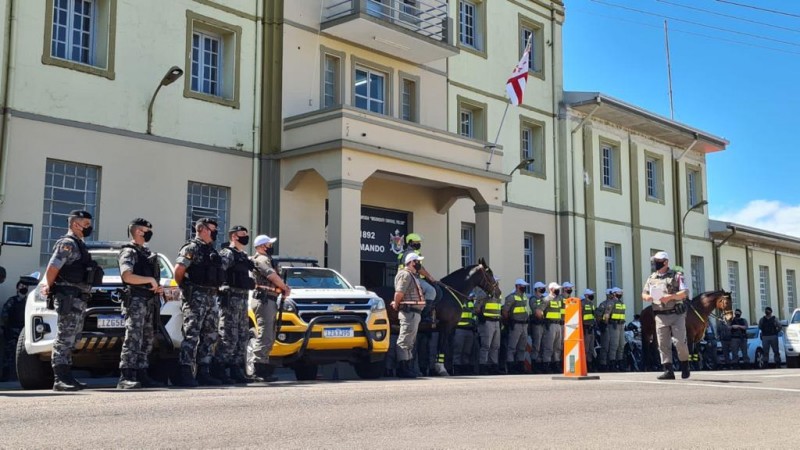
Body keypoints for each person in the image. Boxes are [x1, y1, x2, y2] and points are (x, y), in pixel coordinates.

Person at [39, 210, 99, 391]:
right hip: (68, 295)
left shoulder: (80, 244)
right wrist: (47, 285)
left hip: (78, 297)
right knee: (65, 336)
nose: (89, 228)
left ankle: (67, 376)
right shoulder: (67, 243)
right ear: (75, 224)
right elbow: (53, 266)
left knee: (73, 336)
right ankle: (60, 378)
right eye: (86, 224)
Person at [173, 217, 225, 387]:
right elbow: (179, 270)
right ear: (202, 229)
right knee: (191, 335)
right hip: (195, 296)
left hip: (211, 297)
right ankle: (185, 371)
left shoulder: (212, 251)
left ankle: (204, 371)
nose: (215, 232)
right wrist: (185, 287)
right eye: (212, 228)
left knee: (210, 335)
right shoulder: (191, 248)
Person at [116, 218, 164, 389]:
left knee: (147, 338)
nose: (149, 232)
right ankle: (126, 375)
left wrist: (156, 286)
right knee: (133, 337)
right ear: (137, 231)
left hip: (149, 300)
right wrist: (149, 280)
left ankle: (142, 373)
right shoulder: (129, 252)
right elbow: (127, 276)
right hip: (136, 300)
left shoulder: (145, 253)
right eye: (146, 230)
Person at [214, 226, 256, 385]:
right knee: (228, 335)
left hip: (243, 298)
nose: (245, 237)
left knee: (242, 335)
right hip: (230, 299)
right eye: (242, 235)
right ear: (233, 236)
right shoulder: (227, 254)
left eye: (246, 234)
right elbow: (219, 273)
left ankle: (236, 368)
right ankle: (219, 367)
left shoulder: (243, 256)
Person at [642, 251, 691, 380]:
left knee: (680, 342)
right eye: (654, 261)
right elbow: (644, 293)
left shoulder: (677, 275)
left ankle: (685, 365)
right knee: (663, 344)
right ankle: (668, 370)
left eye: (658, 262)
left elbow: (685, 292)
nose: (655, 264)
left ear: (665, 262)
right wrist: (648, 297)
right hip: (660, 315)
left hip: (676, 314)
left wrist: (671, 297)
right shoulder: (652, 277)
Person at [250, 234, 291, 382]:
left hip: (270, 299)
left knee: (270, 334)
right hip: (264, 299)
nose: (270, 247)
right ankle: (258, 369)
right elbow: (271, 276)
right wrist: (284, 287)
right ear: (262, 246)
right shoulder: (261, 259)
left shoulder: (267, 259)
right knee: (265, 334)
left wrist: (282, 289)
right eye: (268, 244)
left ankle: (264, 367)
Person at [392, 252, 427, 378]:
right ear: (411, 262)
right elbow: (399, 293)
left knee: (410, 342)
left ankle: (408, 367)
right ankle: (403, 368)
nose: (419, 264)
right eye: (417, 261)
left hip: (414, 313)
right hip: (409, 312)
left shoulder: (412, 275)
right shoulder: (405, 275)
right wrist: (396, 305)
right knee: (404, 340)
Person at [1, 279, 30, 381]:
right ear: (17, 288)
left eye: (25, 287)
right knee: (9, 355)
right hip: (12, 331)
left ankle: (22, 377)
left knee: (24, 356)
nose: (24, 289)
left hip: (25, 333)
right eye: (21, 286)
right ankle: (6, 376)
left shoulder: (29, 302)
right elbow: (4, 315)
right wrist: (5, 328)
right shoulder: (12, 301)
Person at [502, 279, 531, 374]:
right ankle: (511, 367)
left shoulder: (524, 297)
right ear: (518, 286)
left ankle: (520, 367)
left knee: (522, 347)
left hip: (524, 324)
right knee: (512, 347)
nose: (524, 288)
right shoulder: (511, 297)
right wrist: (508, 322)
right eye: (523, 286)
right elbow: (505, 311)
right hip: (515, 324)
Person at [475, 285, 502, 375]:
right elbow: (477, 307)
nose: (497, 285)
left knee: (495, 346)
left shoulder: (498, 294)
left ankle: (493, 366)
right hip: (487, 322)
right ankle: (483, 366)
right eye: (495, 283)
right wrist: (481, 316)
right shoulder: (484, 293)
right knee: (486, 346)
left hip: (496, 321)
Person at [540, 282, 564, 374]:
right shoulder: (546, 299)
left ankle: (556, 364)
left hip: (558, 324)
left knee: (557, 347)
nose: (558, 290)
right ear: (551, 289)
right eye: (556, 288)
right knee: (548, 346)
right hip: (550, 325)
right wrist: (544, 320)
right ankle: (546, 364)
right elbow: (539, 311)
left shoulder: (559, 299)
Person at [452, 293, 477, 375]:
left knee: (467, 351)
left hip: (469, 329)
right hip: (460, 329)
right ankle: (456, 369)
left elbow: (473, 315)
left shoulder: (470, 303)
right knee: (458, 351)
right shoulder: (459, 302)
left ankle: (465, 369)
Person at [528, 281, 547, 372]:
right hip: (537, 324)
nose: (543, 289)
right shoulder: (533, 299)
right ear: (537, 289)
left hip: (544, 324)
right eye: (541, 288)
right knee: (537, 345)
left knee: (543, 345)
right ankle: (535, 366)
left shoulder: (544, 298)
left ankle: (541, 364)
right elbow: (537, 312)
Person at [581, 289, 597, 371]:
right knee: (586, 348)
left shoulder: (591, 304)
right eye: (590, 294)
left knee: (591, 348)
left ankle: (589, 364)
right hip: (585, 328)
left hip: (591, 328)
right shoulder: (582, 303)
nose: (592, 296)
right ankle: (584, 364)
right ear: (586, 295)